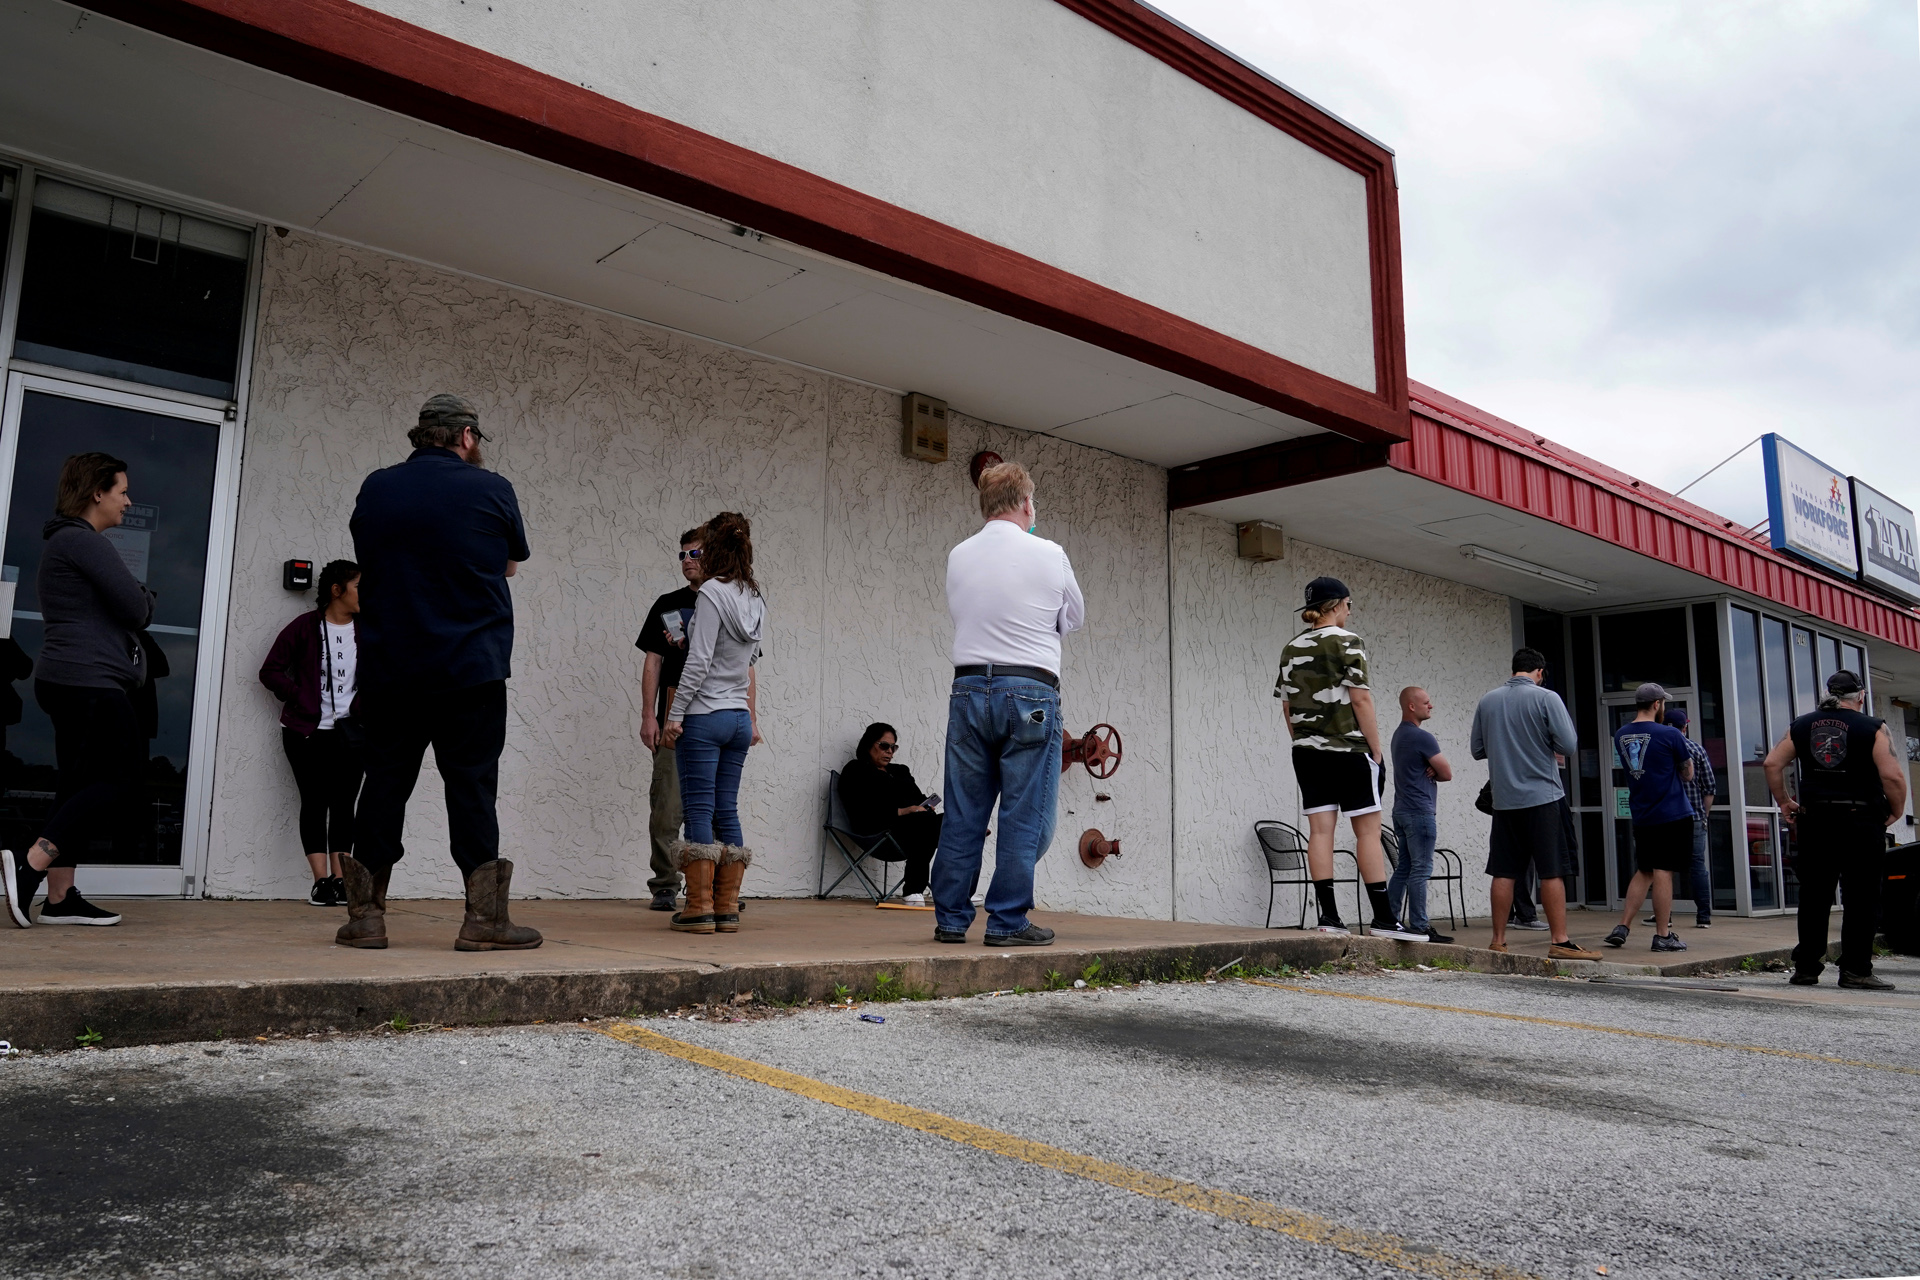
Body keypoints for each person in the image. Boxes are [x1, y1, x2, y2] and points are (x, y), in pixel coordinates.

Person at [339, 393, 541, 952]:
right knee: (472, 787)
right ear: (467, 437)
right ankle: (484, 923)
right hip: (470, 669)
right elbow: (510, 564)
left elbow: (372, 556)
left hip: (392, 668)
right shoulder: (492, 488)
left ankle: (366, 919)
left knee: (383, 785)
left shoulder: (376, 487)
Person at [930, 462, 1082, 947]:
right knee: (1022, 811)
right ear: (1026, 504)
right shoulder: (1049, 552)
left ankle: (951, 918)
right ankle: (1007, 920)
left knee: (963, 810)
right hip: (1031, 692)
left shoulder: (958, 554)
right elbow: (1073, 618)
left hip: (970, 687)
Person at [2, 453, 154, 928]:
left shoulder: (67, 544)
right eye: (122, 491)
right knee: (122, 779)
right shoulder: (84, 542)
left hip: (69, 679)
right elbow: (135, 608)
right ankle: (31, 863)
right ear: (97, 493)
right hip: (88, 682)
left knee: (77, 786)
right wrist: (145, 597)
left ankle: (61, 898)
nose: (128, 501)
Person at [1275, 577, 1420, 940]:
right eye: (1349, 605)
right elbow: (1360, 700)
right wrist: (1376, 748)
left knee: (1320, 831)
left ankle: (1329, 918)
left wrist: (1306, 742)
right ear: (1340, 605)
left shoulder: (1291, 647)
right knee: (1368, 832)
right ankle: (1384, 919)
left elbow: (1287, 706)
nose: (1349, 612)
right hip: (1349, 750)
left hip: (1307, 753)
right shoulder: (1349, 641)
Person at [1764, 670, 1907, 990]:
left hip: (1815, 821)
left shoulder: (1801, 725)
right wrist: (1896, 810)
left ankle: (1806, 968)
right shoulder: (1873, 727)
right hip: (1860, 820)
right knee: (1862, 897)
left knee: (1814, 895)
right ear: (1860, 696)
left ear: (1828, 695)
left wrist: (1785, 801)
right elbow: (1893, 777)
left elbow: (1772, 764)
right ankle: (1855, 970)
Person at [661, 512, 763, 935]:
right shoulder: (754, 597)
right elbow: (744, 659)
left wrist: (675, 713)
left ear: (714, 549)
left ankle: (699, 908)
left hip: (705, 716)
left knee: (699, 811)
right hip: (738, 716)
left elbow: (700, 664)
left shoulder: (709, 595)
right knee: (728, 810)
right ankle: (728, 909)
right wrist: (688, 639)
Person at [1469, 648, 1600, 959]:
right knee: (1551, 870)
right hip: (1544, 797)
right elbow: (1568, 745)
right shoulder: (1547, 698)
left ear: (1514, 669)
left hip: (1504, 801)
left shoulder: (1488, 700)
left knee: (1503, 871)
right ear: (1539, 672)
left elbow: (1477, 750)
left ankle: (1498, 941)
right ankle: (1560, 941)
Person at [259, 559, 366, 908]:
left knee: (344, 804)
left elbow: (388, 672)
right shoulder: (304, 627)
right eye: (358, 587)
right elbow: (270, 671)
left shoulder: (368, 630)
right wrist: (300, 695)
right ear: (337, 591)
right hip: (305, 731)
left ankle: (341, 879)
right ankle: (321, 882)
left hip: (351, 733)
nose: (365, 595)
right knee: (315, 801)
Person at [636, 528, 703, 912]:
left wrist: (751, 717)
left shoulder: (730, 601)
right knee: (667, 804)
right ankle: (665, 884)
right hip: (674, 713)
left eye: (694, 552)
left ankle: (707, 887)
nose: (687, 560)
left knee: (712, 807)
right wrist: (649, 715)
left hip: (716, 714)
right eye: (682, 555)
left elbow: (747, 667)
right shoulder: (668, 603)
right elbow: (653, 660)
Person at [1604, 684, 1693, 953]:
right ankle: (1663, 935)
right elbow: (1687, 772)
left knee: (1644, 870)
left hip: (1642, 813)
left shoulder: (1621, 734)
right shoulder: (1669, 734)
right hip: (1672, 812)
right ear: (1657, 704)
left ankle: (1622, 926)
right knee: (1663, 871)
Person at [839, 722, 942, 905]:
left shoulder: (900, 771)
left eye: (893, 747)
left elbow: (918, 798)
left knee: (955, 822)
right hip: (878, 831)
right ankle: (913, 890)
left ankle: (960, 890)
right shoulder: (855, 770)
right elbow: (860, 810)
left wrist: (925, 806)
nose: (889, 752)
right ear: (868, 744)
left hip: (915, 829)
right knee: (930, 824)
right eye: (884, 746)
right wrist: (903, 811)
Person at [1387, 686, 1454, 944]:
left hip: (1401, 810)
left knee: (1403, 867)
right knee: (1421, 869)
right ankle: (1420, 926)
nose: (1431, 705)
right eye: (1426, 702)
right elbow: (1447, 773)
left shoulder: (1398, 735)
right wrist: (1434, 771)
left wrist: (1430, 768)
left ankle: (1390, 919)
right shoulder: (1422, 737)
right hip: (1419, 812)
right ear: (1411, 706)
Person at [1657, 706, 1715, 928]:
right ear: (1685, 727)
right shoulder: (1697, 750)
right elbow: (1709, 788)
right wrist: (1704, 816)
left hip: (1665, 816)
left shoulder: (1659, 749)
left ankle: (1665, 918)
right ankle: (1703, 917)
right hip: (1693, 817)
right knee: (1697, 866)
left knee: (1663, 867)